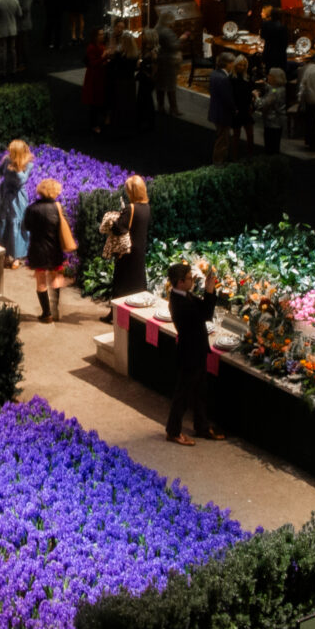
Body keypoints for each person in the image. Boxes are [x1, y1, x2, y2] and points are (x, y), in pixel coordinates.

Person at [162, 261, 225, 446]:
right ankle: (173, 431)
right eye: (189, 279)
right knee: (182, 394)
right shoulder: (180, 303)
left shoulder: (183, 295)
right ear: (180, 282)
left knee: (199, 392)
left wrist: (208, 291)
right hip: (190, 354)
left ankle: (202, 426)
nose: (192, 281)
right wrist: (210, 290)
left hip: (196, 351)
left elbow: (203, 308)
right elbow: (206, 313)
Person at [23, 176, 73, 320]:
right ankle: (55, 308)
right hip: (54, 249)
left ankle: (46, 314)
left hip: (38, 250)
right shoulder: (57, 207)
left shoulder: (32, 209)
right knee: (56, 277)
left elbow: (26, 226)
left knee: (41, 280)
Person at [102, 174, 150, 302]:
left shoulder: (131, 208)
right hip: (139, 251)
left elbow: (119, 229)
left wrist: (112, 220)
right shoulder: (146, 208)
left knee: (121, 283)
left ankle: (116, 313)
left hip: (126, 252)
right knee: (136, 284)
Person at [104, 32, 138, 137]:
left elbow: (112, 67)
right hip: (130, 83)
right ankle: (129, 126)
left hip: (120, 83)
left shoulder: (120, 56)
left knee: (119, 104)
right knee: (129, 104)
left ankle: (118, 127)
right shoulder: (135, 55)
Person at [81, 29, 111, 134]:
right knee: (94, 102)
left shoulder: (101, 46)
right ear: (95, 36)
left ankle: (101, 120)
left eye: (103, 34)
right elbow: (93, 63)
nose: (102, 36)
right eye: (100, 34)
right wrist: (103, 57)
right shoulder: (92, 48)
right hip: (94, 78)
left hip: (101, 77)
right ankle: (94, 125)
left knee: (100, 100)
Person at [257, 66, 289, 155]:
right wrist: (265, 85)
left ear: (275, 78)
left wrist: (256, 97)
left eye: (270, 76)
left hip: (272, 121)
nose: (268, 77)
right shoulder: (281, 88)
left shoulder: (274, 92)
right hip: (279, 121)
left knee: (270, 147)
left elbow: (262, 105)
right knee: (276, 144)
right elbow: (273, 89)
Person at [259, 4, 291, 79]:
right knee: (279, 76)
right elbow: (285, 43)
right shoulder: (283, 28)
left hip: (268, 53)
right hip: (280, 56)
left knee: (268, 74)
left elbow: (262, 37)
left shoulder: (265, 24)